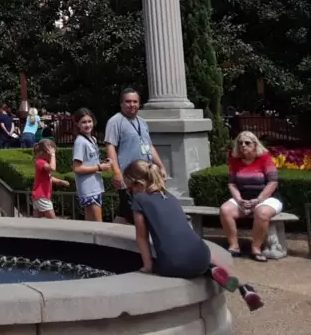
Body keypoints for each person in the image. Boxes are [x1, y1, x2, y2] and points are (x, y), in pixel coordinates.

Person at [124, 160, 264, 312]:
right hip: (200, 254)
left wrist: (147, 267)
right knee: (207, 255)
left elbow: (142, 237)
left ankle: (210, 271)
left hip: (174, 264)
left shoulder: (139, 200)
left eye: (129, 188)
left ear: (138, 184)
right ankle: (244, 287)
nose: (129, 192)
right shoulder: (170, 197)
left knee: (165, 262)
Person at [104, 88, 168, 224]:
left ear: (139, 104)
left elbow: (150, 147)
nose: (132, 104)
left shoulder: (142, 122)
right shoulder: (115, 121)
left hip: (145, 175)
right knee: (134, 213)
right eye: (128, 101)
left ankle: (111, 240)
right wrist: (116, 172)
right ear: (121, 104)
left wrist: (161, 167)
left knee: (125, 213)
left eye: (135, 101)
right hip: (129, 177)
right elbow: (110, 147)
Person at [219, 131, 282, 261]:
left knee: (262, 212)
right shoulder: (234, 161)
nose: (243, 145)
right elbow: (232, 184)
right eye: (240, 143)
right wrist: (239, 200)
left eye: (247, 143)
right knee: (225, 210)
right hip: (243, 198)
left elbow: (273, 182)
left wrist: (258, 200)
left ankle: (256, 248)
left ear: (255, 144)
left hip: (267, 197)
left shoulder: (265, 159)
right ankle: (234, 246)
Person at [70, 108, 111, 222]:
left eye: (89, 121)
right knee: (98, 223)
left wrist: (102, 163)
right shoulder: (80, 142)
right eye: (83, 122)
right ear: (77, 124)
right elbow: (77, 168)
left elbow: (90, 161)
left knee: (91, 224)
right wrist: (99, 168)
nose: (87, 125)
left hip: (95, 185)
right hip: (89, 188)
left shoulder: (92, 139)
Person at [31, 139, 70, 219]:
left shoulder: (41, 162)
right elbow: (52, 168)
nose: (52, 154)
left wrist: (60, 181)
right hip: (42, 196)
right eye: (49, 152)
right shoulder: (40, 162)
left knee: (36, 222)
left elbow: (49, 177)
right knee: (53, 221)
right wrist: (53, 155)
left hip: (39, 196)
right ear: (42, 153)